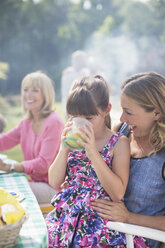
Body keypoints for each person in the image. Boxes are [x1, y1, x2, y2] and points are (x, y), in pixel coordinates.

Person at [46, 75, 132, 247]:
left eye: (89, 118)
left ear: (107, 109)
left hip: (98, 222)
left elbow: (118, 193)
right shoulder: (72, 140)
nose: (81, 124)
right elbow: (54, 181)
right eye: (74, 117)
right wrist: (64, 149)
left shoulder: (118, 142)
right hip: (67, 217)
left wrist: (93, 152)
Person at [91, 72, 165, 248]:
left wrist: (128, 217)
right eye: (122, 109)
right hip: (102, 229)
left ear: (156, 113)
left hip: (137, 238)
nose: (122, 118)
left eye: (129, 112)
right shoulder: (122, 131)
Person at [0, 71, 64, 204]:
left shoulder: (54, 122)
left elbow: (43, 164)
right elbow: (4, 141)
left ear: (46, 95)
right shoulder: (26, 122)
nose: (28, 94)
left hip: (53, 188)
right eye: (25, 89)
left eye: (35, 90)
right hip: (36, 183)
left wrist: (10, 166)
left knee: (7, 194)